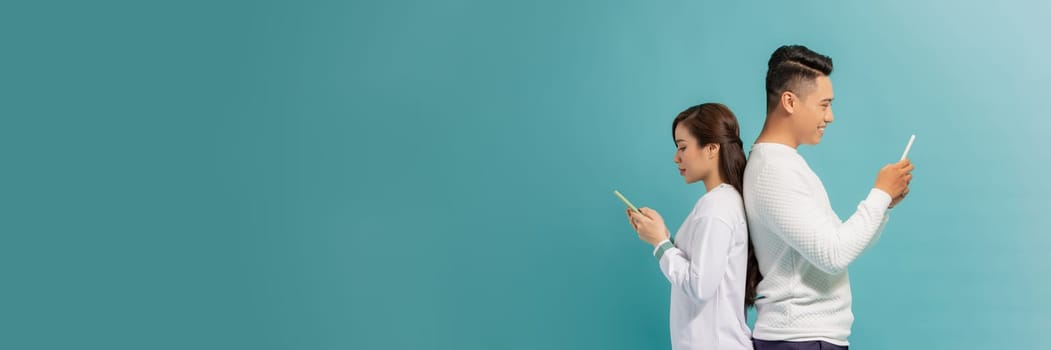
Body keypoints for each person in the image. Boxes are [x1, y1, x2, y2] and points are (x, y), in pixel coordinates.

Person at [743, 45, 914, 349]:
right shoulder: (774, 171)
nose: (830, 117)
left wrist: (883, 203)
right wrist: (879, 194)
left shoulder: (785, 164)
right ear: (789, 102)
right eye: (824, 105)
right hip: (799, 339)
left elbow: (841, 245)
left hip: (808, 338)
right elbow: (834, 255)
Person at [626, 102, 758, 350]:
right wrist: (661, 234)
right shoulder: (722, 203)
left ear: (711, 148)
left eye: (683, 147)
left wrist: (660, 243)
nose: (676, 157)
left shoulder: (717, 207)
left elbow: (699, 286)